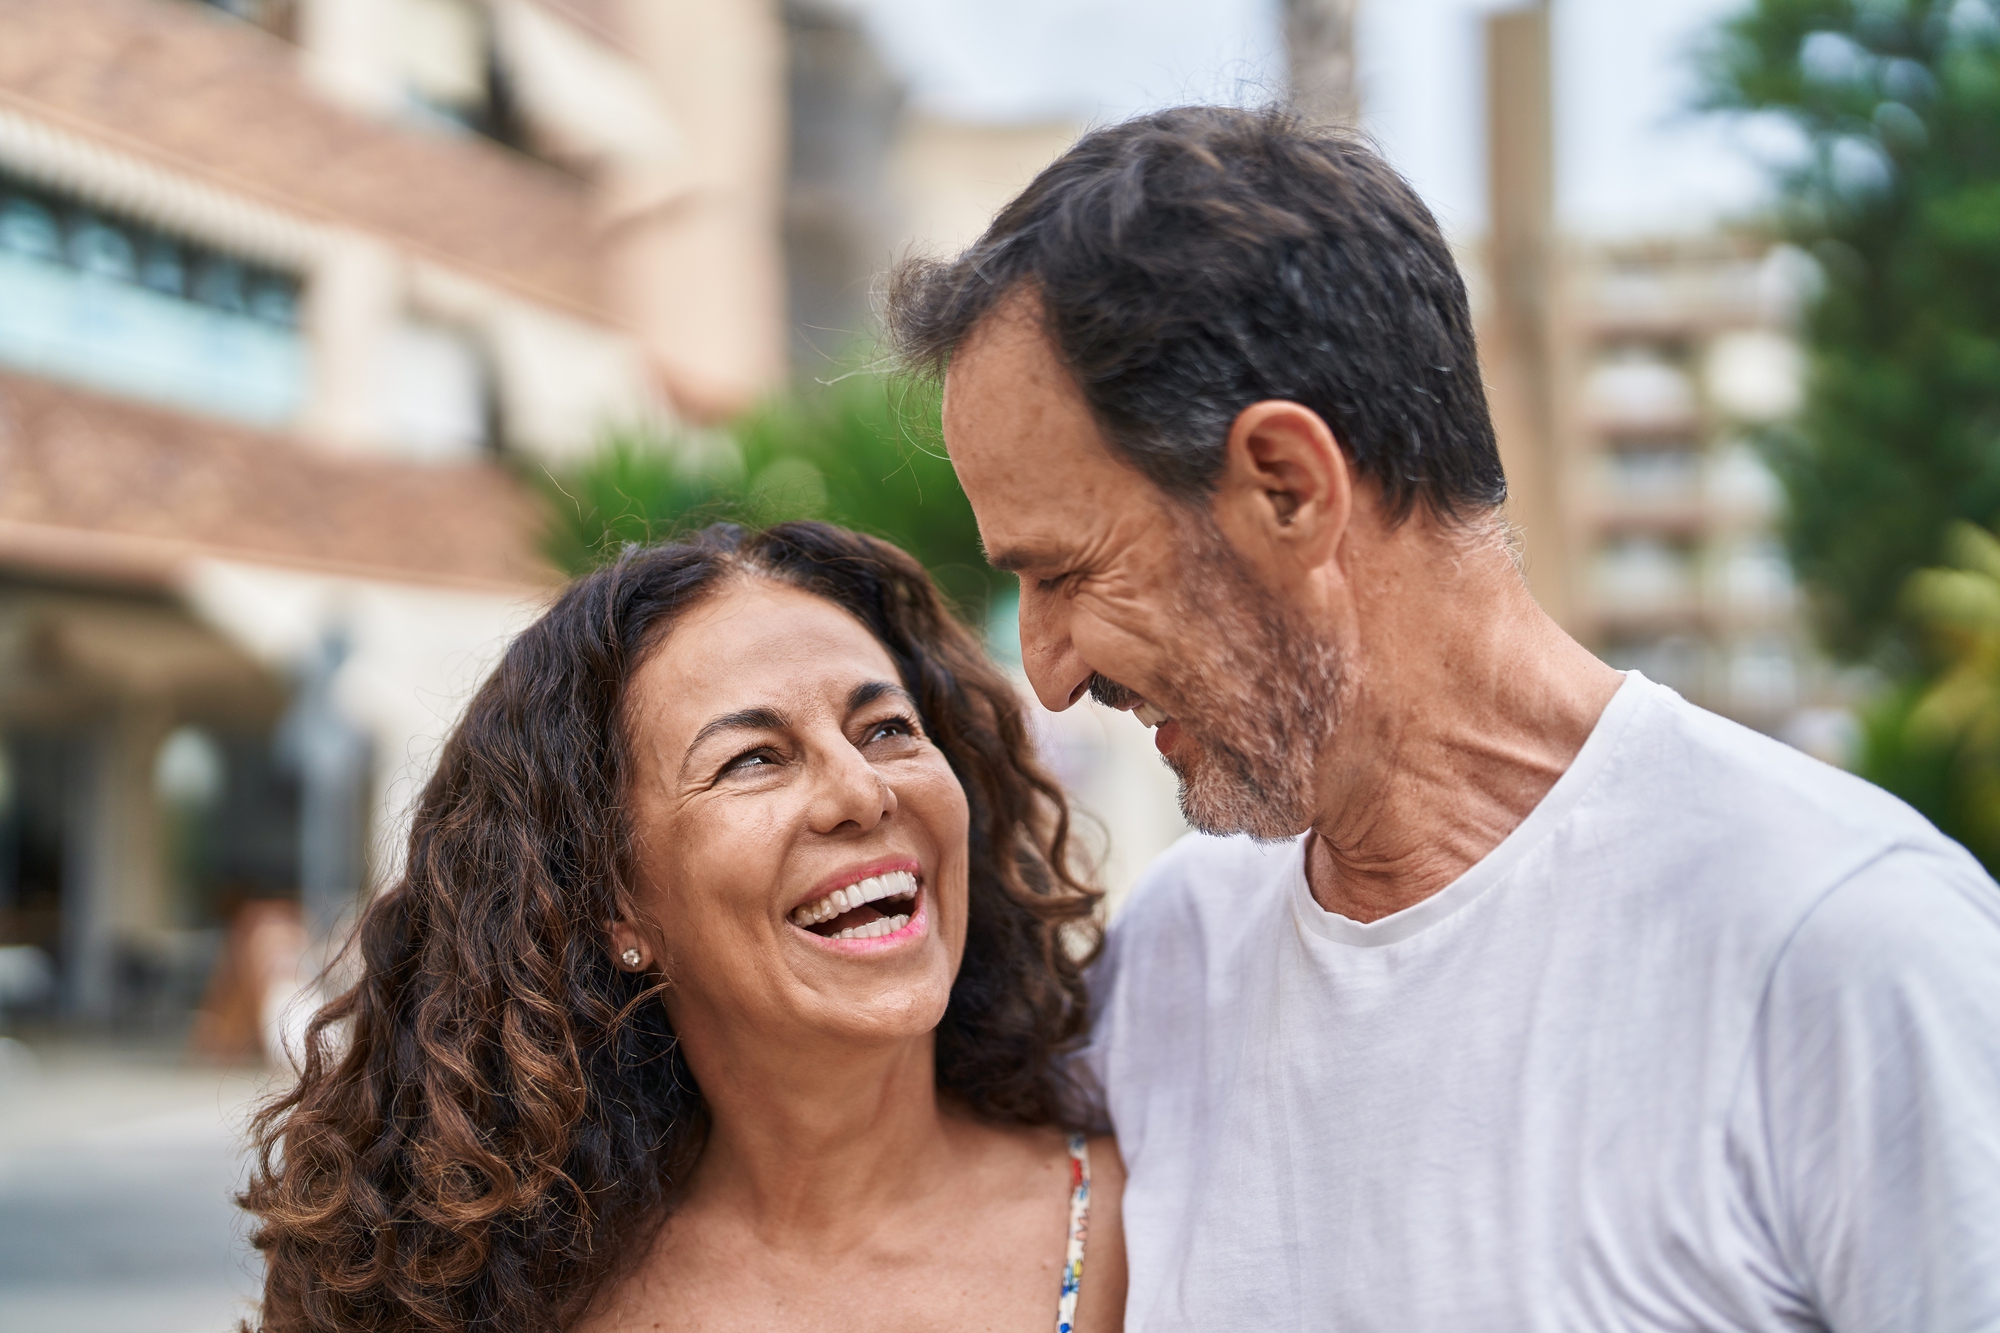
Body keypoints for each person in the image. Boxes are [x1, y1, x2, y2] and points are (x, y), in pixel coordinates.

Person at [889, 105, 2000, 1329]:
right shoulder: (1170, 960)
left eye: (1065, 571)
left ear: (1286, 487)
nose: (1043, 673)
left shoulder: (1843, 944)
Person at [239, 522, 1126, 1333]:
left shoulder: (1151, 1224)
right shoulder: (492, 1293)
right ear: (615, 905)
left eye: (887, 727)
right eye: (753, 759)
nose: (862, 791)